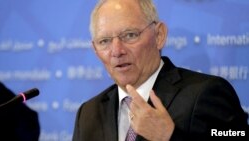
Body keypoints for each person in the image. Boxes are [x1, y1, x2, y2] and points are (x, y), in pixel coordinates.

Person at [72, 0, 249, 140]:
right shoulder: (89, 113)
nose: (117, 51)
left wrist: (169, 137)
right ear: (95, 50)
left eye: (130, 35)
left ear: (159, 35)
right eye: (105, 41)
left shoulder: (206, 94)